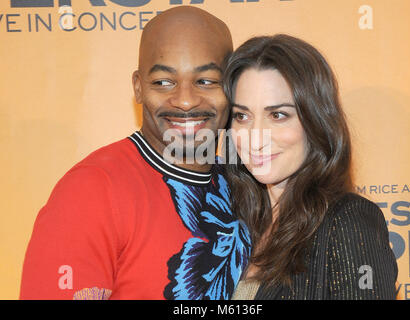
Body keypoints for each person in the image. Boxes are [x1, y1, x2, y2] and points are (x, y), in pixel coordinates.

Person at [20, 6, 250, 300]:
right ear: (138, 88)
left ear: (232, 88)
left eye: (206, 80)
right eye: (163, 82)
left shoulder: (251, 184)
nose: (185, 100)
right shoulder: (93, 190)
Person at [222, 34, 398, 299]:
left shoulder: (348, 222)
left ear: (316, 120)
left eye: (278, 115)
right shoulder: (230, 221)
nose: (254, 138)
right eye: (242, 116)